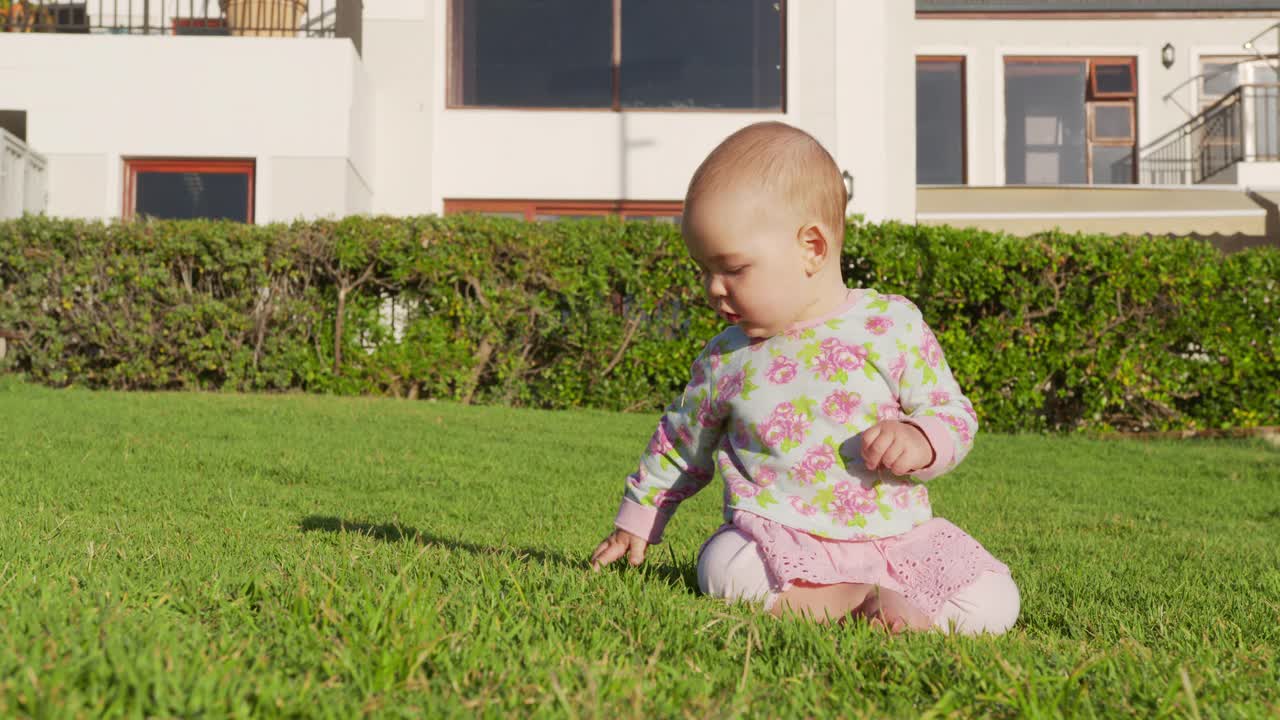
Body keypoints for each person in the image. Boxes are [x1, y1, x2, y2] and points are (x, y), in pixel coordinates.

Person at [588, 121, 1019, 634]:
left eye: (733, 268)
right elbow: (682, 443)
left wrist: (922, 438)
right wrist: (639, 518)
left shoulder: (891, 326)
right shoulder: (727, 356)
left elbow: (953, 411)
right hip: (779, 536)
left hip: (893, 537)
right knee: (725, 564)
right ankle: (857, 604)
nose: (713, 289)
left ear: (811, 247)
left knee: (995, 599)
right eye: (704, 270)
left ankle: (886, 599)